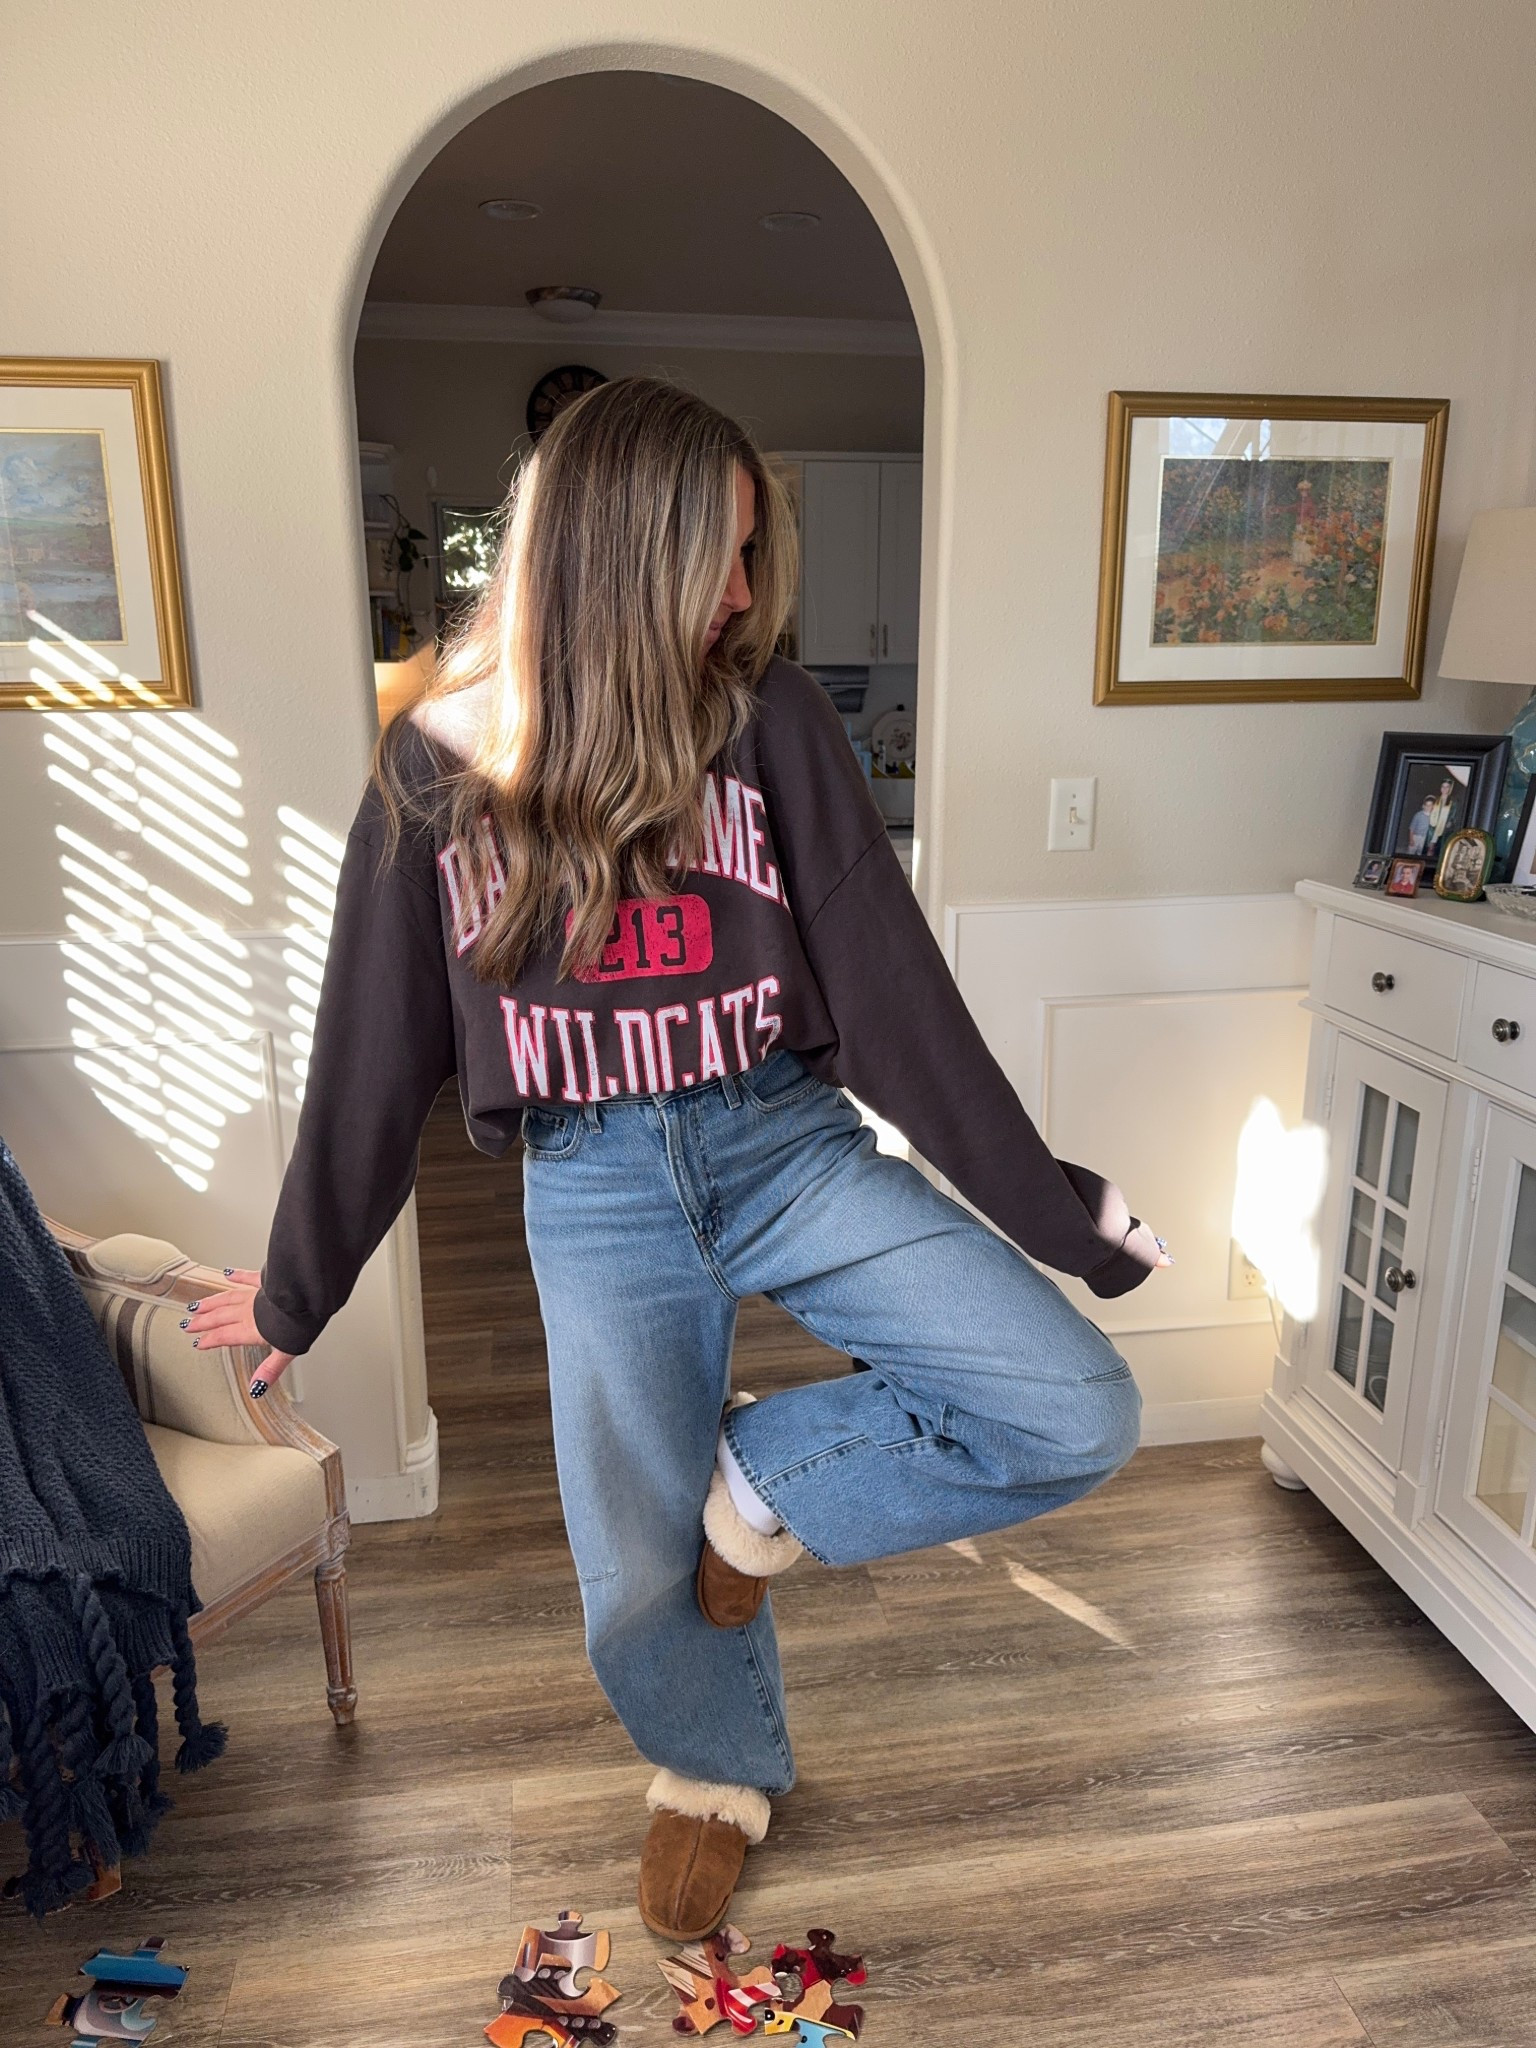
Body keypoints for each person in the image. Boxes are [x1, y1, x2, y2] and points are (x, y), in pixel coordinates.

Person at [184, 377, 1169, 1942]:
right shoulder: (435, 764)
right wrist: (298, 1294)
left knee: (1072, 1403)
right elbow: (371, 1056)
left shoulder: (773, 721)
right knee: (629, 1573)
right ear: (610, 548)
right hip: (591, 1188)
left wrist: (1060, 1213)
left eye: (747, 553)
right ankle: (713, 1774)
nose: (739, 590)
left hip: (785, 1145)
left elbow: (896, 993)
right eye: (715, 552)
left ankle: (759, 1481)